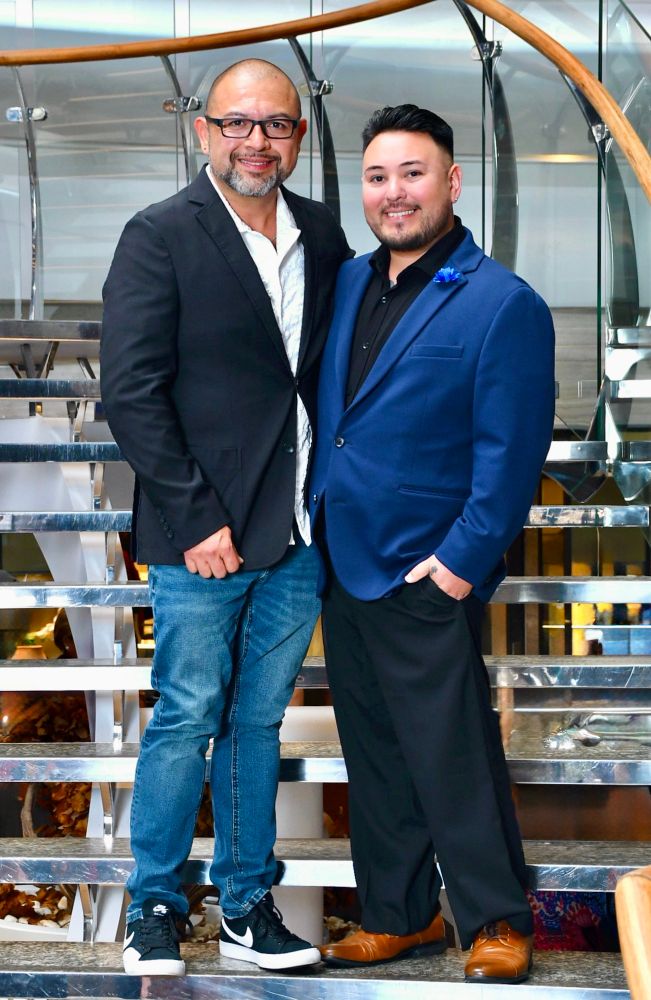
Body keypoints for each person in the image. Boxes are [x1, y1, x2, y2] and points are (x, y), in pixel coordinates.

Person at [100, 58, 351, 976]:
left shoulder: (321, 232)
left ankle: (246, 907)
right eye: (237, 123)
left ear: (298, 136)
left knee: (256, 723)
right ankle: (153, 908)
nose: (256, 141)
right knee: (186, 717)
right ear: (203, 130)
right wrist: (197, 518)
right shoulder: (159, 233)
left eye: (275, 124)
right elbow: (132, 393)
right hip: (200, 538)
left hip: (297, 532)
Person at [310, 104, 555, 985]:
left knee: (452, 754)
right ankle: (398, 914)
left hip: (427, 564)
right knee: (374, 751)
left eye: (412, 174)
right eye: (377, 177)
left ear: (451, 182)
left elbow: (510, 455)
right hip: (342, 555)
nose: (394, 192)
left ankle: (495, 919)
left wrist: (458, 563)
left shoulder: (501, 302)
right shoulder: (346, 282)